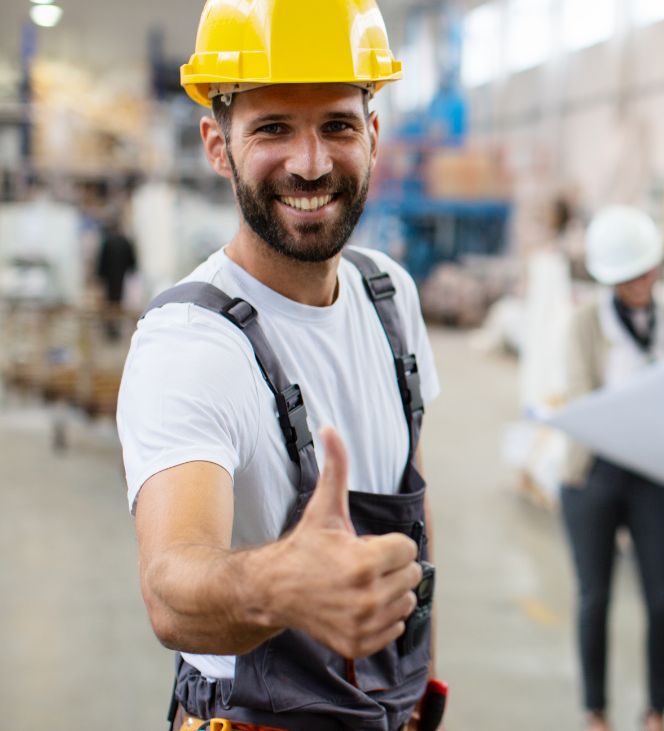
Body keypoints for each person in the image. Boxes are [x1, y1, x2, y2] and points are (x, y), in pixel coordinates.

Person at [117, 1, 446, 729]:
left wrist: (417, 672)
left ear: (373, 134)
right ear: (216, 143)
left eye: (336, 124)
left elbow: (413, 508)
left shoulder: (391, 300)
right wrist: (281, 584)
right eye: (271, 128)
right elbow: (171, 586)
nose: (310, 162)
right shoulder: (190, 345)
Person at [561, 206, 664, 731]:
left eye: (645, 272)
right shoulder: (584, 324)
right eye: (626, 276)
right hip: (594, 474)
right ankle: (596, 711)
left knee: (662, 598)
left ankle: (657, 709)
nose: (639, 284)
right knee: (596, 597)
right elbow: (580, 398)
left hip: (652, 475)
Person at [95, 215, 137, 340]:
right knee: (120, 302)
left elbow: (101, 261)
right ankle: (117, 328)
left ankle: (110, 328)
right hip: (122, 277)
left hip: (109, 278)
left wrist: (100, 275)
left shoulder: (107, 241)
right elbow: (132, 260)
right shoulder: (125, 241)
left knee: (109, 303)